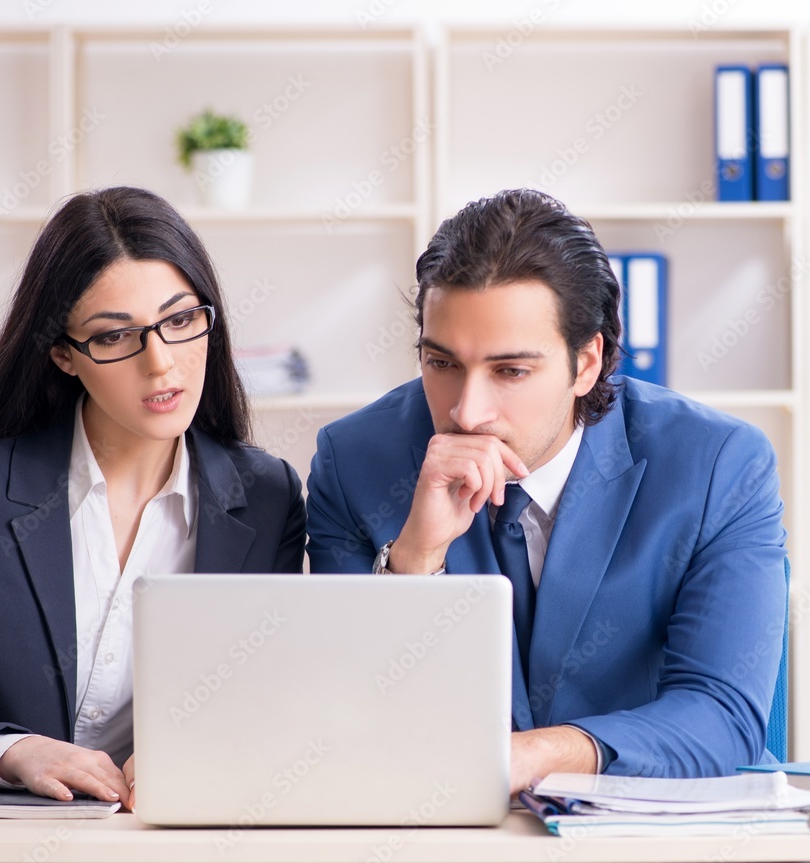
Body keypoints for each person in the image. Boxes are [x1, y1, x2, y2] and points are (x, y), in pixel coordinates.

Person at [306, 188, 787, 791]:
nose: (467, 410)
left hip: (653, 825)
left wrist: (541, 754)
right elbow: (340, 714)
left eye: (510, 371)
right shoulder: (354, 462)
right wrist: (414, 561)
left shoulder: (719, 464)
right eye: (442, 362)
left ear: (587, 362)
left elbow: (723, 714)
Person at [0, 186, 307, 809]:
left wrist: (198, 748)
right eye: (113, 337)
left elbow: (273, 704)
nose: (161, 364)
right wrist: (17, 754)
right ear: (63, 356)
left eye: (180, 320)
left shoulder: (267, 496)